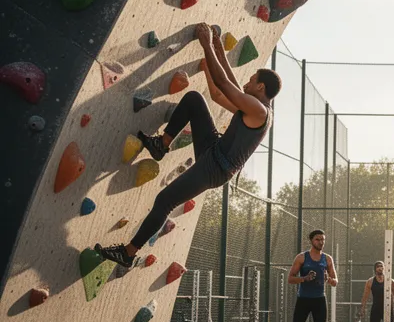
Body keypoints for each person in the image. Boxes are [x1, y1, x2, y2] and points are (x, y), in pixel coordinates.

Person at [95, 23, 280, 268]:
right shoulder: (254, 109)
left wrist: (207, 44)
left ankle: (128, 253)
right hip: (213, 148)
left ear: (261, 87)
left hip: (215, 168)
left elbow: (225, 85)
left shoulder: (259, 111)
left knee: (165, 201)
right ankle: (162, 144)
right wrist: (217, 49)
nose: (246, 83)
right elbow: (221, 93)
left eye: (252, 80)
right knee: (194, 99)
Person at [278, 230, 338, 322]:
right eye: (318, 239)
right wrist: (304, 278)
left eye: (323, 240)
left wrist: (329, 279)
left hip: (319, 300)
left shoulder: (327, 259)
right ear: (311, 241)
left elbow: (335, 281)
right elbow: (290, 278)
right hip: (303, 300)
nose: (321, 242)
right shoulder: (301, 257)